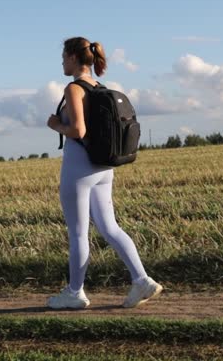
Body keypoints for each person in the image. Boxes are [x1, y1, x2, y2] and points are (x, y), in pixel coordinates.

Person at [45, 36, 162, 309]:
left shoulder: (74, 88)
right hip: (103, 167)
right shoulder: (100, 87)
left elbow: (78, 131)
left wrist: (54, 125)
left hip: (79, 169)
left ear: (74, 57)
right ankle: (141, 280)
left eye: (64, 56)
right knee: (110, 227)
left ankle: (75, 293)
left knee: (77, 233)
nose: (62, 61)